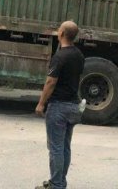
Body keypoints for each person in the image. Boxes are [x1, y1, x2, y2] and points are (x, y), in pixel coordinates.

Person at [34, 21, 85, 189]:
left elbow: (50, 82)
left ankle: (56, 184)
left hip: (59, 107)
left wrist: (41, 103)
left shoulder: (60, 56)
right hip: (73, 106)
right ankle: (60, 181)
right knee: (65, 146)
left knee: (55, 147)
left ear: (61, 33)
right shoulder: (78, 55)